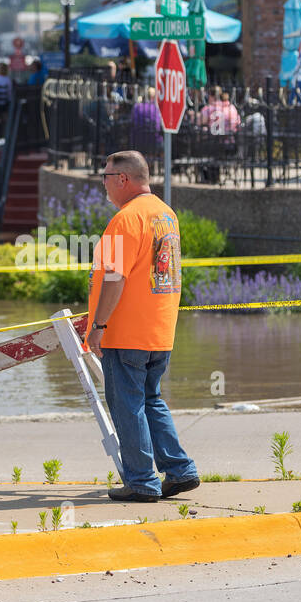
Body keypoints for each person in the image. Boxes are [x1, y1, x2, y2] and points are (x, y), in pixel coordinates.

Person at [85, 150, 199, 502]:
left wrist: (98, 325)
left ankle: (142, 481)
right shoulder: (166, 214)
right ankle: (179, 470)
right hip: (159, 330)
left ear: (123, 179)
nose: (103, 184)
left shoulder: (125, 219)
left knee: (128, 404)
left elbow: (115, 278)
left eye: (105, 177)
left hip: (126, 331)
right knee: (151, 399)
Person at [129, 85, 163, 153]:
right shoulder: (156, 108)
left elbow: (133, 122)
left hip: (138, 140)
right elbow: (158, 127)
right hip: (154, 141)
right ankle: (159, 163)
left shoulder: (137, 106)